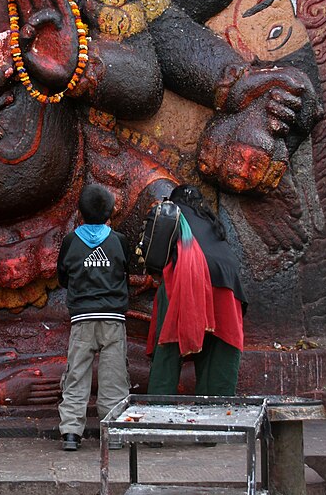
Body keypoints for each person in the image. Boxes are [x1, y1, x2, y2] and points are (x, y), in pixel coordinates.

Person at [146, 184, 246, 396]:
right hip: (228, 286)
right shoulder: (209, 220)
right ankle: (217, 408)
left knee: (168, 348)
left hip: (187, 278)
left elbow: (153, 261)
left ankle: (160, 406)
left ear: (173, 201)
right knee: (219, 350)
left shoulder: (169, 215)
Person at [57, 184, 130, 451]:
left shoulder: (70, 241)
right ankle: (114, 431)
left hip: (82, 319)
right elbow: (126, 271)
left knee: (76, 375)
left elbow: (63, 278)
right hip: (113, 318)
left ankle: (71, 434)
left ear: (80, 212)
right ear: (110, 213)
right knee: (114, 377)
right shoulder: (119, 241)